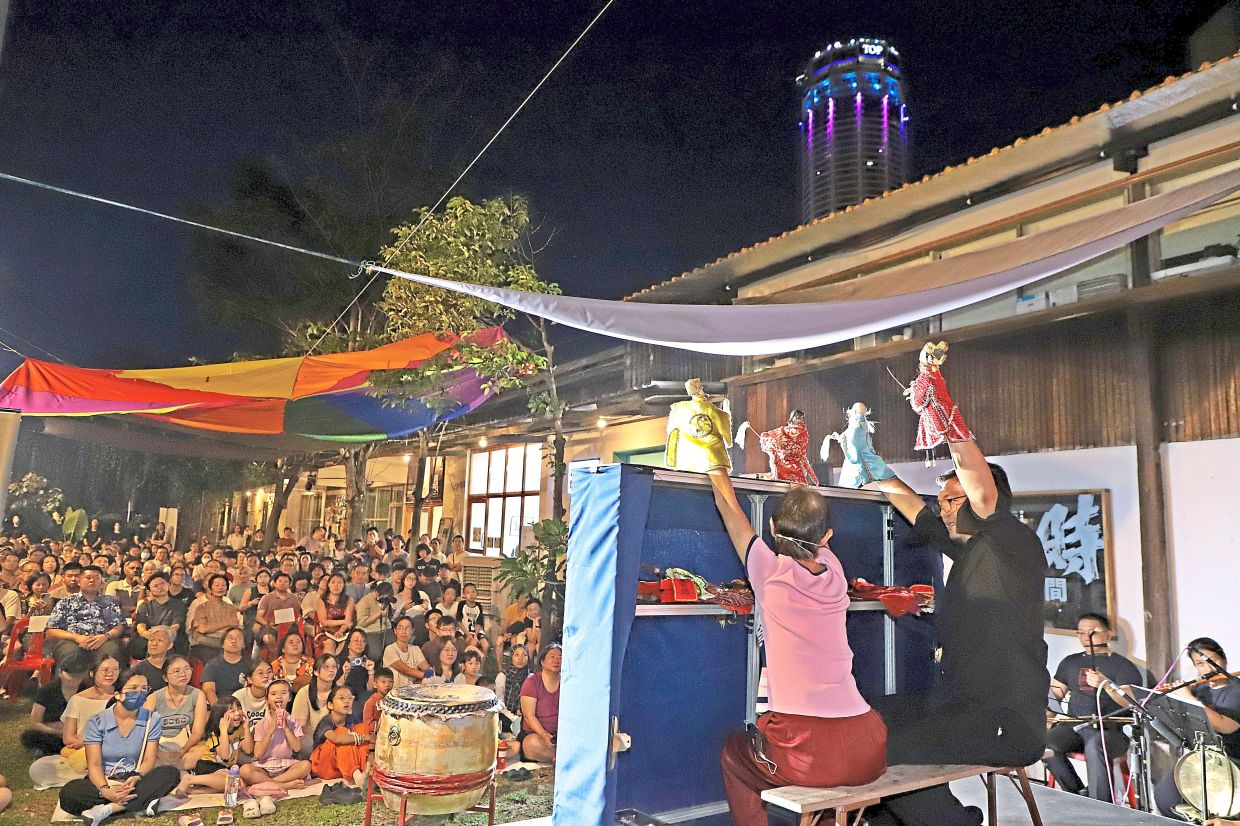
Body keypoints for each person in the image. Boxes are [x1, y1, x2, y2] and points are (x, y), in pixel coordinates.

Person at [866, 353, 1050, 826]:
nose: (944, 508)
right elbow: (918, 512)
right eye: (944, 500)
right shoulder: (967, 549)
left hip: (1003, 721)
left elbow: (979, 488)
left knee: (879, 749)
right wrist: (874, 468)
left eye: (953, 500)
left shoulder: (1012, 542)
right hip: (957, 706)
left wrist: (947, 417)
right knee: (866, 720)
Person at [707, 470, 888, 825]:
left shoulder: (768, 572)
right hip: (868, 745)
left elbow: (728, 505)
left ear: (772, 527)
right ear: (827, 538)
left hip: (807, 748)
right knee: (823, 784)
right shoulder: (835, 573)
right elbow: (812, 540)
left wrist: (715, 466)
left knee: (733, 752)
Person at [57, 668, 181, 824]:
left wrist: (137, 776)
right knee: (70, 794)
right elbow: (94, 764)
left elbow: (150, 759)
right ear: (118, 694)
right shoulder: (97, 721)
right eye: (134, 688)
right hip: (104, 780)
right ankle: (141, 803)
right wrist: (106, 790)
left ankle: (108, 809)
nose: (140, 693)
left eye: (144, 689)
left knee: (170, 773)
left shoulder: (152, 719)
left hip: (134, 780)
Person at [1044, 613, 1146, 800]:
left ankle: (1100, 805)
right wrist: (1047, 715)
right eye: (1081, 632)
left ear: (1108, 634)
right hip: (1074, 727)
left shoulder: (1123, 666)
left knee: (1095, 745)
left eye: (1092, 632)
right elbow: (1055, 694)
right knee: (1044, 740)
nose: (1085, 637)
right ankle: (1077, 794)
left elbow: (1130, 702)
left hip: (1110, 731)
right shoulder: (1070, 662)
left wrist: (1105, 684)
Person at [1153, 639, 1240, 819]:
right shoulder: (1200, 690)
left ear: (1223, 659)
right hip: (1203, 760)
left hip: (1232, 761)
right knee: (1165, 796)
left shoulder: (1236, 690)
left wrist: (1189, 699)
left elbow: (1226, 726)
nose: (1207, 668)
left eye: (1212, 660)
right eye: (1200, 664)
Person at [45, 565, 126, 667]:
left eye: (97, 578)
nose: (92, 581)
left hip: (103, 640)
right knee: (72, 655)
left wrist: (105, 637)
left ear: (102, 583)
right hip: (72, 641)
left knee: (111, 653)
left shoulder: (110, 602)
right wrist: (76, 638)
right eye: (88, 578)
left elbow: (119, 626)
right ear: (79, 581)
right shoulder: (66, 602)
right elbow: (51, 631)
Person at [173, 697, 255, 796]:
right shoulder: (215, 733)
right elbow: (225, 755)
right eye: (232, 711)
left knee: (237, 785)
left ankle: (192, 791)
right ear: (221, 716)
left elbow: (248, 749)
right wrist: (224, 731)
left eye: (239, 708)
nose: (238, 713)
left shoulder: (240, 729)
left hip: (224, 768)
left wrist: (246, 727)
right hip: (208, 765)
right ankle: (190, 779)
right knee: (232, 782)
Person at [240, 678, 312, 789]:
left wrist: (286, 728)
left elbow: (297, 748)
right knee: (245, 770)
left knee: (306, 765)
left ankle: (271, 783)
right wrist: (270, 732)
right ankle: (284, 785)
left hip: (286, 766)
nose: (279, 697)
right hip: (265, 767)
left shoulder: (293, 721)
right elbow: (258, 754)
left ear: (289, 698)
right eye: (273, 694)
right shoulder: (261, 723)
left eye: (283, 693)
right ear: (267, 700)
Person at [21, 648, 91, 755]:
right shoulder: (47, 690)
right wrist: (56, 731)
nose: (74, 680)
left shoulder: (87, 691)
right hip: (52, 733)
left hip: (77, 735)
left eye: (78, 676)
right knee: (30, 736)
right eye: (71, 675)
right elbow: (34, 721)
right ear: (60, 673)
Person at [145, 654, 207, 769]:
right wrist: (160, 753)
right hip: (158, 746)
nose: (183, 674)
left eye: (187, 669)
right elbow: (142, 730)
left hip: (186, 746)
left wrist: (182, 751)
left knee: (204, 750)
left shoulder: (198, 695)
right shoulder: (154, 697)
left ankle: (168, 768)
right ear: (165, 677)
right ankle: (174, 768)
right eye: (177, 671)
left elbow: (197, 733)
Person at [62, 655, 123, 770]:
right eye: (105, 670)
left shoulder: (122, 697)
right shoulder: (77, 699)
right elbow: (68, 738)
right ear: (92, 673)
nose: (110, 674)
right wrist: (88, 743)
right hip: (83, 750)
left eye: (115, 670)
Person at [309, 685, 374, 790]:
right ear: (330, 705)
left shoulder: (352, 719)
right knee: (342, 733)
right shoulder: (326, 721)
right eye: (341, 698)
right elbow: (337, 739)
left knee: (362, 727)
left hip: (342, 766)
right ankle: (357, 775)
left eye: (349, 698)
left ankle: (364, 771)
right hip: (325, 767)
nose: (347, 701)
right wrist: (367, 737)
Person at [517, 643, 562, 763]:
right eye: (552, 657)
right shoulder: (532, 682)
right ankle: (561, 758)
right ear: (542, 662)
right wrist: (544, 734)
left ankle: (560, 757)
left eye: (560, 657)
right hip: (536, 734)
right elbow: (528, 716)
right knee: (531, 744)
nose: (556, 660)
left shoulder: (567, 683)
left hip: (560, 735)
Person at [189, 573, 242, 663]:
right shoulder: (202, 607)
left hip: (225, 644)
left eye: (223, 585)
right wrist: (226, 623)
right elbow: (203, 629)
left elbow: (234, 626)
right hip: (207, 645)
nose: (220, 588)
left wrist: (213, 628)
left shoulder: (230, 607)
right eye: (217, 585)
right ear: (210, 588)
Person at [132, 574, 188, 658]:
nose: (160, 587)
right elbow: (141, 625)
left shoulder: (179, 604)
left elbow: (176, 626)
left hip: (170, 638)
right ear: (149, 591)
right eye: (155, 586)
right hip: (149, 638)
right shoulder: (144, 606)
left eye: (162, 583)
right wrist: (147, 634)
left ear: (168, 585)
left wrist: (162, 636)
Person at [292, 654, 341, 739]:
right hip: (311, 738)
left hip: (336, 736)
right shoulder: (304, 692)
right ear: (316, 672)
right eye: (326, 667)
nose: (331, 670)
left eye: (334, 667)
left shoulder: (341, 692)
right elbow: (299, 725)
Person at [201, 626, 250, 704]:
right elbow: (209, 690)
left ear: (243, 645)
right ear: (223, 644)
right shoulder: (212, 665)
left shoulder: (250, 664)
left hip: (244, 705)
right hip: (220, 705)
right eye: (230, 638)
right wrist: (219, 710)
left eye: (238, 638)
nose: (234, 641)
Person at [383, 616, 431, 690]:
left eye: (407, 628)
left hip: (412, 691)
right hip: (395, 692)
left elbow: (426, 667)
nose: (403, 631)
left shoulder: (415, 649)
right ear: (395, 631)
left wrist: (432, 676)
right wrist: (431, 676)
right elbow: (407, 670)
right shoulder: (390, 649)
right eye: (400, 628)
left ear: (412, 631)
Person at [495, 643, 532, 734]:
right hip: (506, 714)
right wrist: (513, 717)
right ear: (511, 657)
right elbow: (499, 703)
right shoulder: (502, 676)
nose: (520, 658)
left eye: (524, 655)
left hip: (526, 715)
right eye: (516, 655)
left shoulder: (531, 677)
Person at [315, 573, 354, 655]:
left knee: (347, 645)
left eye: (339, 583)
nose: (336, 585)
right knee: (329, 644)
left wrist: (340, 631)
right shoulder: (321, 600)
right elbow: (324, 622)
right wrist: (343, 622)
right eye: (333, 582)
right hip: (326, 632)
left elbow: (348, 620)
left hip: (344, 632)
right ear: (328, 585)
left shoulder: (349, 599)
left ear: (344, 585)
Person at [337, 627, 376, 704]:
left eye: (363, 641)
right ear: (348, 644)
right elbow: (336, 687)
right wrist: (345, 673)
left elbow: (370, 690)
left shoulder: (369, 662)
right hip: (343, 700)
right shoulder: (338, 662)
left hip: (363, 700)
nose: (359, 643)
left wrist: (371, 673)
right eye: (356, 640)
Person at [129, 625, 173, 692]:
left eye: (160, 640)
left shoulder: (174, 666)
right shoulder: (137, 670)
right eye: (151, 640)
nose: (154, 643)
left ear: (169, 645)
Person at [233, 658, 274, 727]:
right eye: (260, 673)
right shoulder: (239, 696)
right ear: (249, 679)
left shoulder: (275, 695)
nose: (266, 676)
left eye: (269, 672)